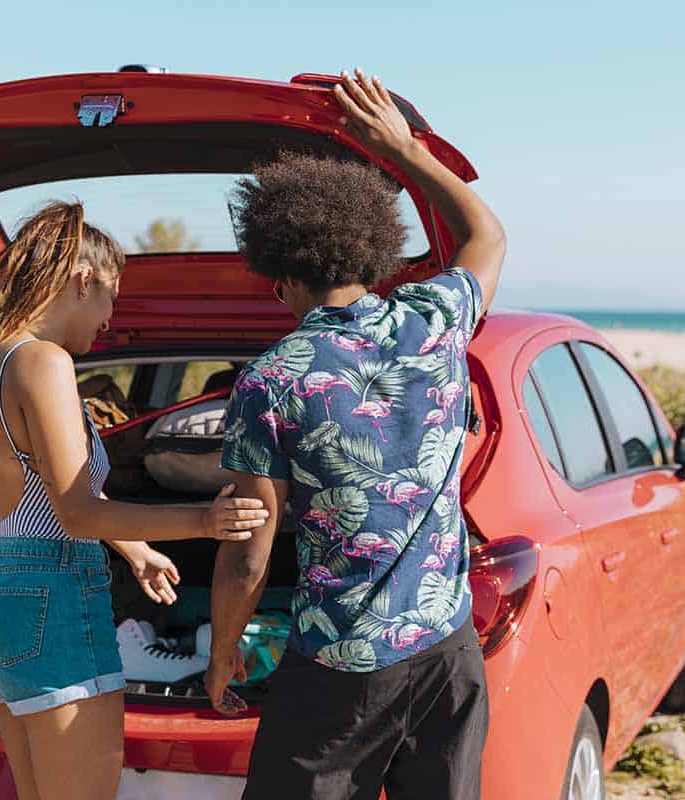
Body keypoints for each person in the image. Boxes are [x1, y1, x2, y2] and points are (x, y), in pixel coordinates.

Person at [205, 69, 506, 800]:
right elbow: (486, 235)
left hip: (340, 671)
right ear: (377, 249)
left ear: (277, 273)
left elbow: (251, 548)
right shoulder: (434, 324)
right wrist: (403, 149)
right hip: (447, 650)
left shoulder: (272, 381)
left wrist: (221, 654)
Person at [0, 201, 270, 800]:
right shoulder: (44, 362)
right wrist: (206, 520)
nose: (109, 319)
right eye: (111, 298)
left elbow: (45, 498)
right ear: (82, 280)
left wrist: (134, 548)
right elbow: (77, 511)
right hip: (51, 595)